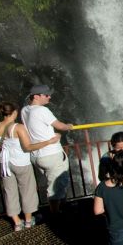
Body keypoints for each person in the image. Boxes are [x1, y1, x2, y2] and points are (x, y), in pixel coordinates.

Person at [0, 101, 60, 231]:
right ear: (14, 112)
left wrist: (6, 145)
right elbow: (28, 147)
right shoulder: (18, 127)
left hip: (5, 164)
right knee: (27, 191)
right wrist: (49, 141)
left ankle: (17, 223)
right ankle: (27, 221)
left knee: (10, 192)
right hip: (21, 163)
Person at [21, 84, 75, 214]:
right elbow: (60, 126)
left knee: (55, 182)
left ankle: (62, 207)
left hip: (36, 155)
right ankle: (56, 214)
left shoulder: (25, 110)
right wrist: (69, 126)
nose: (49, 97)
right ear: (37, 96)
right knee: (56, 185)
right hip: (51, 154)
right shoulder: (42, 111)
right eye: (46, 95)